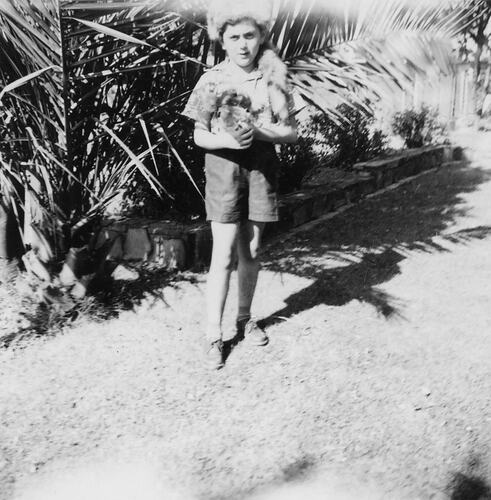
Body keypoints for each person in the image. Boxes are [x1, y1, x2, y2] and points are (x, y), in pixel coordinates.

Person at [182, 0, 297, 369]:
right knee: (224, 252)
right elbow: (199, 135)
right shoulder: (211, 79)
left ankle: (245, 319)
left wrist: (259, 132)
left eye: (250, 35)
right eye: (235, 37)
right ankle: (214, 335)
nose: (243, 44)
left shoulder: (274, 79)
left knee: (252, 247)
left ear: (261, 36)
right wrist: (229, 142)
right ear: (222, 39)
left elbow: (291, 133)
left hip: (261, 170)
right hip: (223, 169)